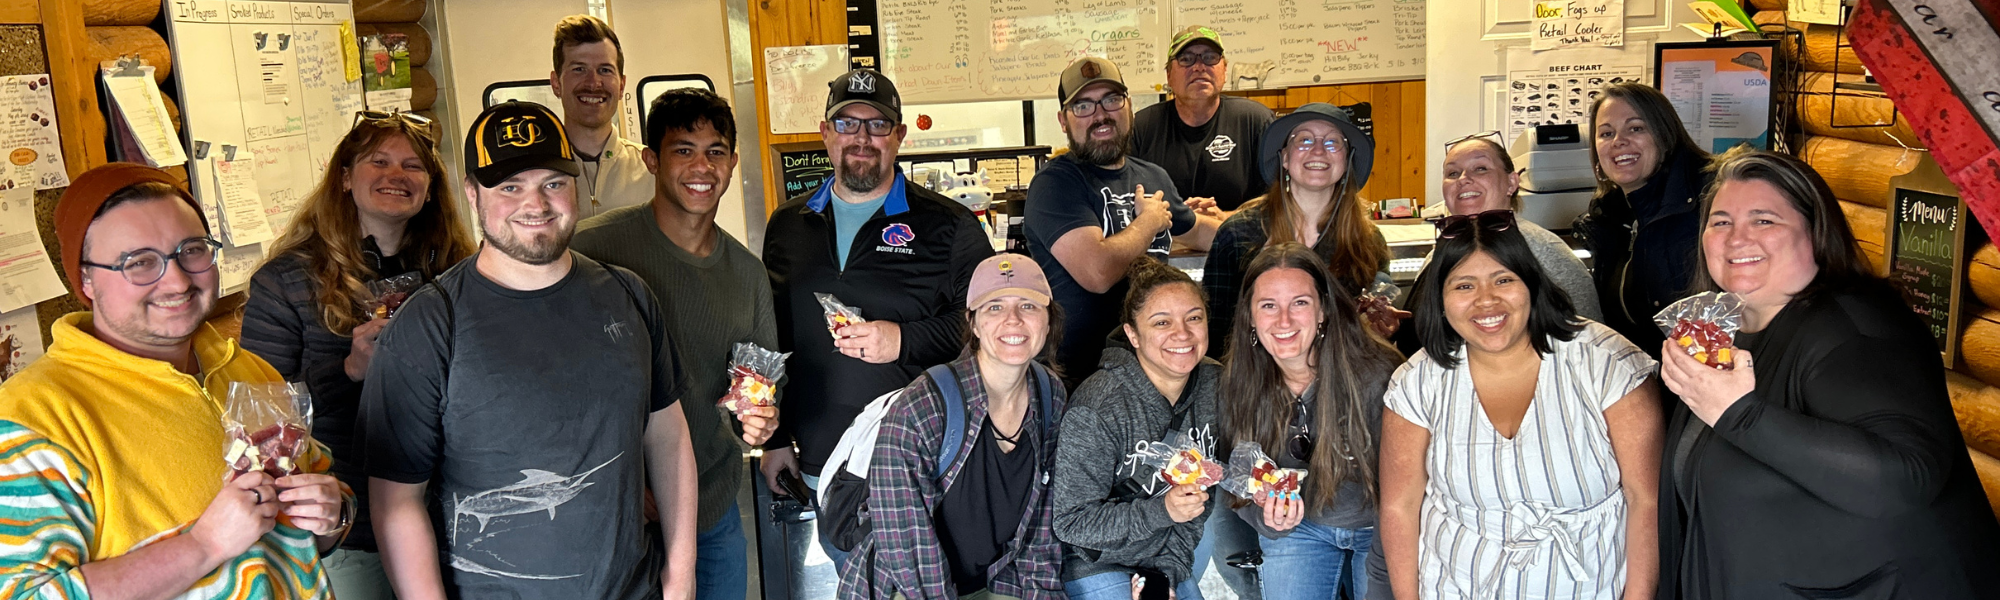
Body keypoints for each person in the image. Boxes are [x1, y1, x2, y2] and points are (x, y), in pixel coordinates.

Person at [362, 101, 698, 599]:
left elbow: (666, 434)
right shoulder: (429, 325)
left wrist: (680, 576)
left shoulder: (628, 295)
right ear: (473, 195)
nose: (535, 204)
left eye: (553, 183)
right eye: (510, 187)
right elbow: (396, 502)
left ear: (576, 188)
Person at [1656, 148, 2000, 598]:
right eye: (1721, 222)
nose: (1737, 238)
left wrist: (1740, 415)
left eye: (1764, 220)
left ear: (1815, 233)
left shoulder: (1857, 330)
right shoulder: (1730, 333)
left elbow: (1906, 477)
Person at [0, 163, 350, 597]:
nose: (178, 280)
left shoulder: (248, 370)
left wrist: (332, 516)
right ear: (86, 280)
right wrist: (203, 546)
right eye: (139, 262)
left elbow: (320, 501)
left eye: (192, 250)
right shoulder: (31, 418)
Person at [241, 109, 476, 598]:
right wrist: (348, 371)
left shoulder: (461, 272)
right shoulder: (284, 281)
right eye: (379, 161)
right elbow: (261, 417)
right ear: (345, 178)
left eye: (413, 166)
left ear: (431, 187)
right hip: (350, 528)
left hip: (458, 517)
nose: (396, 175)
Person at [762, 68, 994, 555]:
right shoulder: (787, 225)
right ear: (825, 134)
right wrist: (775, 437)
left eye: (877, 125)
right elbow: (775, 337)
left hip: (925, 461)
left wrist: (904, 340)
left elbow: (988, 325)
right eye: (847, 124)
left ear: (900, 136)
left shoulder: (949, 226)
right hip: (822, 462)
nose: (861, 138)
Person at [1379, 211, 1662, 599]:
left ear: (1532, 284)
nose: (1486, 300)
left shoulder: (1608, 364)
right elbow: (1400, 505)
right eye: (1464, 286)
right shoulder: (1417, 383)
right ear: (1440, 299)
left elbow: (1644, 499)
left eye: (1504, 279)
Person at [572, 88, 779, 600]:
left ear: (733, 163)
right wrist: (621, 481)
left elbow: (757, 389)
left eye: (715, 151)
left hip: (710, 511)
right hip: (616, 515)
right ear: (651, 160)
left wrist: (760, 422)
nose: (701, 167)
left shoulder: (748, 274)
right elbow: (560, 384)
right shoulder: (591, 248)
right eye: (683, 149)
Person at [838, 253, 1067, 600]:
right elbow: (905, 542)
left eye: (1029, 306)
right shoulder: (924, 405)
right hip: (911, 588)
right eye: (994, 308)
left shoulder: (1049, 394)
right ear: (973, 324)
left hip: (996, 580)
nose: (1013, 320)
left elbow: (1042, 523)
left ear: (1049, 320)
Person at [1218, 242, 1404, 600]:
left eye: (1299, 303)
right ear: (1250, 317)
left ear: (1323, 310)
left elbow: (1406, 491)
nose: (1283, 321)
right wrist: (1266, 520)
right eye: (1268, 306)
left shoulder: (1378, 374)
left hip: (1380, 526)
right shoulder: (1237, 381)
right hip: (1302, 529)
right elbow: (1237, 477)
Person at [1024, 56, 1219, 387]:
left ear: (1129, 106)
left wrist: (1261, 229)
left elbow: (1202, 232)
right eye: (1083, 106)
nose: (1100, 114)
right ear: (1063, 120)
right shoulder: (1055, 183)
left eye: (1111, 100)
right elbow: (1097, 272)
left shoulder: (1152, 175)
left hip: (1155, 372)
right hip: (1080, 381)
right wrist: (1148, 223)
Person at [1052, 258, 1221, 600]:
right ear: (1133, 334)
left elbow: (1202, 499)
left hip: (1165, 554)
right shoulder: (1098, 407)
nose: (1183, 334)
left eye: (1194, 318)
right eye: (1162, 322)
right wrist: (1163, 511)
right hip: (1099, 562)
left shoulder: (1214, 386)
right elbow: (1071, 522)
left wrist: (1167, 575)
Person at [1203, 103, 1393, 359]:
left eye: (1332, 142)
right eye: (1303, 140)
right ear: (1284, 157)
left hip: (1343, 384)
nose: (1317, 150)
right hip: (1259, 385)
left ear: (1347, 159)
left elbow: (1370, 331)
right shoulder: (1238, 233)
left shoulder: (1369, 240)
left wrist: (1379, 328)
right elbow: (1217, 335)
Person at [1574, 83, 1711, 355]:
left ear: (1665, 134)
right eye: (1606, 133)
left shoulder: (1709, 200)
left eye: (1635, 128)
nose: (1618, 141)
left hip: (1705, 376)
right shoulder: (1608, 218)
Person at [1429, 132, 1601, 322]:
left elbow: (1587, 331)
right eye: (1452, 173)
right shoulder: (1438, 253)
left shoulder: (1544, 250)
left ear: (1511, 183)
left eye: (1480, 168)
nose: (1463, 179)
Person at [1129, 25, 1275, 215]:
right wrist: (1185, 223)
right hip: (1166, 241)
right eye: (1186, 59)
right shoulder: (1142, 127)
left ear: (1224, 70)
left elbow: (1279, 202)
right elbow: (1125, 201)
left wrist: (1224, 219)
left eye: (1210, 57)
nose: (1199, 67)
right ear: (1169, 76)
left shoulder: (1256, 121)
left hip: (1238, 240)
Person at [551, 15, 653, 219]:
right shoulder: (533, 173)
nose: (593, 83)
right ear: (556, 83)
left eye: (605, 70)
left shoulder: (654, 172)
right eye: (579, 69)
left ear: (622, 85)